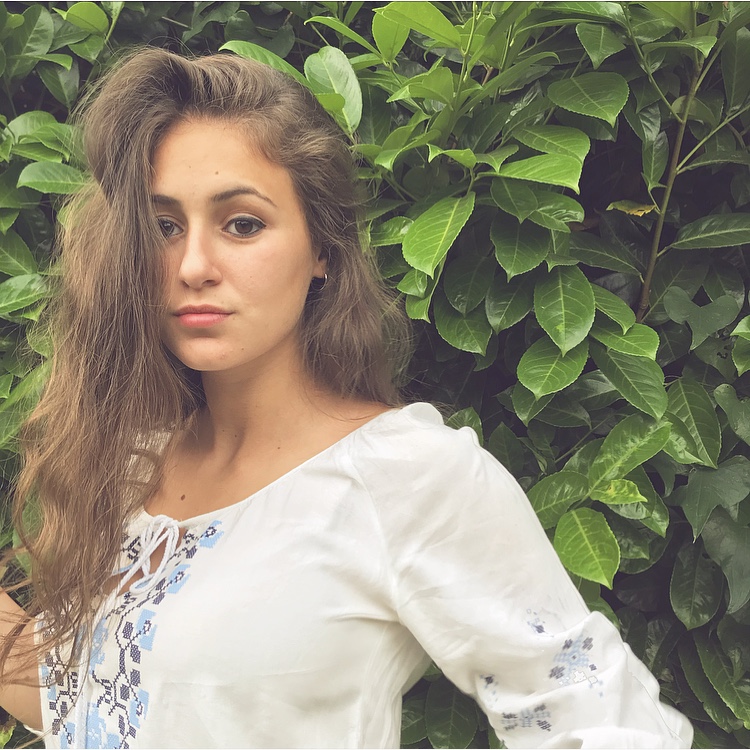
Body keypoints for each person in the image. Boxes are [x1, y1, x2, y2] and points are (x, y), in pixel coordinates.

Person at [0, 47, 692, 749]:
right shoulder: (132, 466)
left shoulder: (403, 479)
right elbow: (98, 703)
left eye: (243, 224)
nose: (193, 265)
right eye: (163, 227)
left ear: (322, 249)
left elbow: (603, 719)